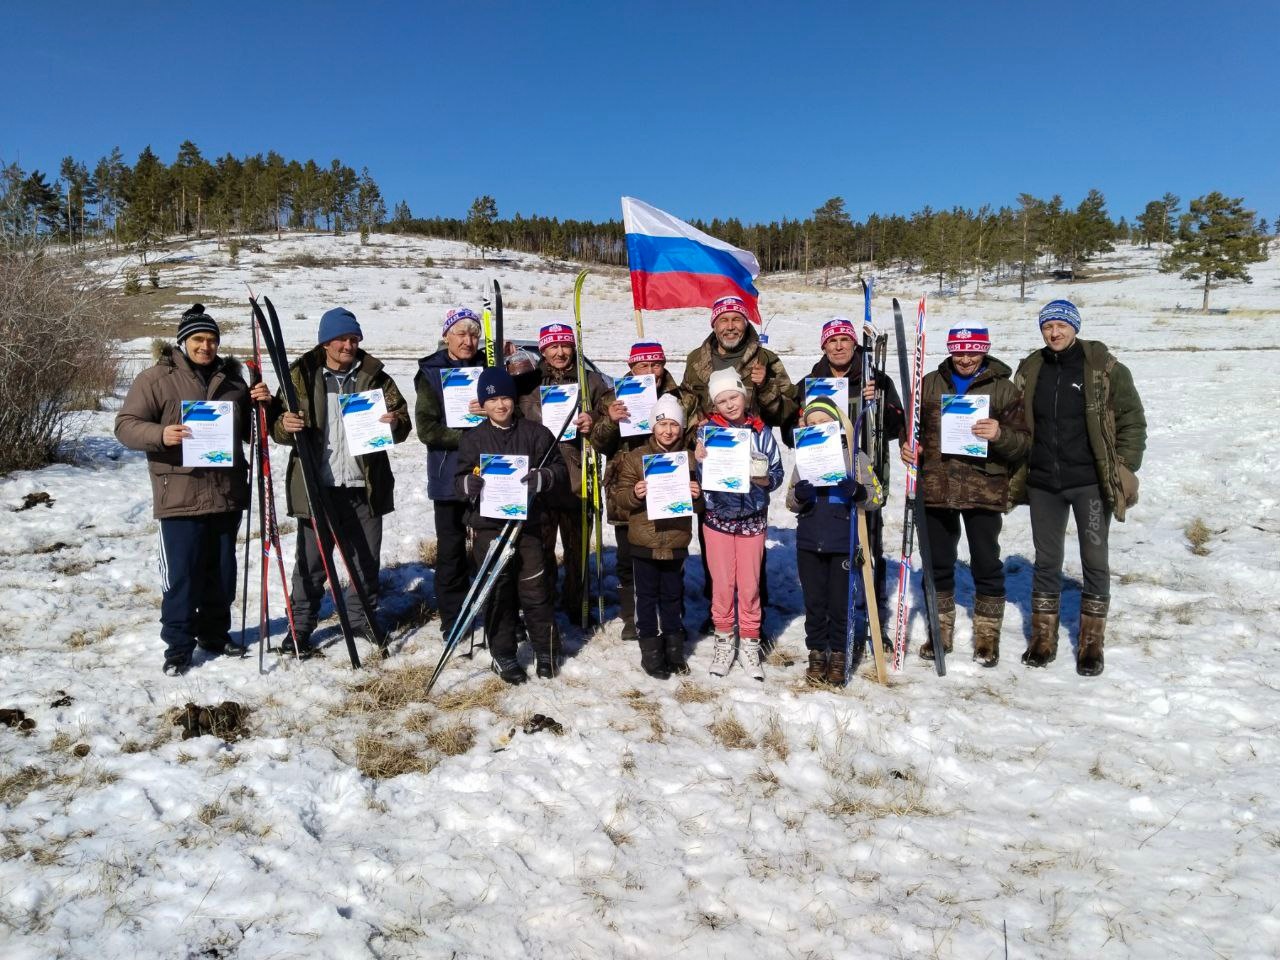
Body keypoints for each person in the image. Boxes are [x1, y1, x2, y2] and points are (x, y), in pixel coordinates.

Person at [115, 304, 270, 675]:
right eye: (199, 339)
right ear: (184, 341)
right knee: (182, 576)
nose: (206, 346)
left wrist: (262, 402)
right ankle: (179, 647)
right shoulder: (155, 379)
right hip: (180, 494)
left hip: (225, 492)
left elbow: (251, 432)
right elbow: (125, 425)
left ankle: (215, 635)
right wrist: (161, 434)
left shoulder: (233, 381)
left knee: (221, 571)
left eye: (213, 340)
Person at [1011, 300, 1146, 676]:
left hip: (1089, 481)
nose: (1054, 332)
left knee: (1094, 559)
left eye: (1061, 325)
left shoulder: (1104, 368)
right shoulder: (1031, 368)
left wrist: (1123, 466)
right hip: (1043, 484)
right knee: (1047, 560)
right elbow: (1013, 415)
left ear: (1074, 327)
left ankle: (1091, 644)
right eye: (1047, 326)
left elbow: (1133, 420)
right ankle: (1042, 639)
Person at [270, 308, 411, 655]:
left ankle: (362, 617)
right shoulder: (299, 376)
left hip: (364, 485)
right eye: (343, 339)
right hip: (317, 486)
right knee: (311, 563)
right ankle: (300, 626)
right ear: (326, 341)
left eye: (354, 339)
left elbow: (404, 420)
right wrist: (283, 427)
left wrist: (393, 423)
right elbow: (275, 423)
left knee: (365, 558)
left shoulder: (375, 376)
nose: (349, 345)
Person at [901, 325, 1031, 667]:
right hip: (936, 488)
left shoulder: (1003, 389)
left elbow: (1022, 443)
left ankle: (987, 636)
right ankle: (940, 630)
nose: (966, 358)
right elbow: (911, 429)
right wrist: (908, 446)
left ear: (984, 351)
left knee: (986, 562)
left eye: (973, 351)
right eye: (959, 352)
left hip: (982, 489)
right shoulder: (929, 383)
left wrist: (1000, 433)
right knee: (938, 562)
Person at [682, 296, 796, 630]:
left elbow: (789, 410)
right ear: (714, 325)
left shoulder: (766, 359)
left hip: (752, 466)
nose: (730, 326)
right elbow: (686, 404)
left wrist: (767, 386)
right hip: (712, 463)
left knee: (751, 548)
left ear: (746, 323)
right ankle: (717, 612)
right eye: (724, 320)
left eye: (737, 319)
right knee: (712, 542)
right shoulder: (696, 361)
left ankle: (753, 618)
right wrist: (695, 437)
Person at [794, 316, 906, 654]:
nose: (839, 346)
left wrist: (879, 399)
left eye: (845, 340)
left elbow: (896, 422)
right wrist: (800, 422)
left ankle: (872, 618)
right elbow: (791, 434)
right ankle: (831, 624)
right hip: (821, 488)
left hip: (862, 477)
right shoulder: (810, 383)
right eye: (832, 341)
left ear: (854, 344)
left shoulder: (875, 378)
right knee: (831, 557)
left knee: (869, 551)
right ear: (823, 346)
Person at [455, 367, 569, 683]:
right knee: (498, 592)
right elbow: (457, 479)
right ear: (483, 404)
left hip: (529, 527)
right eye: (492, 400)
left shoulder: (537, 434)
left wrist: (543, 478)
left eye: (505, 397)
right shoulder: (473, 438)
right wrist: (468, 484)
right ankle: (503, 655)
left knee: (535, 589)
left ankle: (545, 650)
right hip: (489, 527)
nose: (500, 405)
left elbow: (559, 470)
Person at [590, 341, 694, 641]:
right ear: (630, 366)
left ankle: (672, 617)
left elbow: (696, 434)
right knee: (628, 555)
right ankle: (632, 616)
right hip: (627, 484)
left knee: (671, 553)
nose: (651, 371)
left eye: (657, 364)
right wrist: (610, 420)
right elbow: (598, 442)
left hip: (670, 487)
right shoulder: (613, 396)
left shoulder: (681, 396)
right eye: (643, 365)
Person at [516, 322, 610, 622]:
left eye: (565, 345)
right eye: (553, 346)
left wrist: (593, 418)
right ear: (543, 350)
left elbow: (613, 414)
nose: (559, 352)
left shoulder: (592, 381)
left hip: (578, 477)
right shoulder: (528, 381)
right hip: (541, 477)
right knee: (539, 549)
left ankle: (575, 602)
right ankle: (543, 602)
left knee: (577, 550)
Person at [694, 368, 784, 679]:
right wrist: (700, 458)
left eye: (733, 396)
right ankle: (723, 641)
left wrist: (760, 478)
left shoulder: (762, 433)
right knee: (721, 585)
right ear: (714, 404)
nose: (729, 404)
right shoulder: (706, 434)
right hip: (718, 519)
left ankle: (749, 642)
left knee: (749, 586)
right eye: (722, 400)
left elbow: (776, 475)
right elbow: (701, 479)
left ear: (743, 396)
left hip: (751, 521)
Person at [785, 397, 881, 684]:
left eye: (823, 422)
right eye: (811, 423)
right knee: (814, 602)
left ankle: (838, 654)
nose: (817, 427)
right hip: (809, 541)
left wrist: (859, 493)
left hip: (842, 540)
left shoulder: (855, 456)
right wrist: (800, 497)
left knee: (840, 602)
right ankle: (816, 654)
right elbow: (790, 501)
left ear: (838, 425)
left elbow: (876, 496)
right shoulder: (804, 459)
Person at [608, 394, 701, 679]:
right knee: (646, 598)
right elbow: (620, 497)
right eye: (662, 424)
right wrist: (635, 494)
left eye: (674, 424)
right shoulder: (636, 459)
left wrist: (697, 496)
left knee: (673, 596)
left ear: (682, 428)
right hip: (643, 541)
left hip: (675, 540)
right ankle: (650, 652)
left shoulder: (688, 459)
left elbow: (701, 503)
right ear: (652, 427)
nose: (668, 431)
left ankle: (674, 649)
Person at [414, 307, 485, 637]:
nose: (468, 341)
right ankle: (453, 616)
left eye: (474, 335)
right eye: (461, 334)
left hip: (490, 471)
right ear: (446, 336)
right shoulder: (431, 373)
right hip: (448, 475)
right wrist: (470, 438)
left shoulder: (490, 366)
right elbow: (427, 429)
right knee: (452, 548)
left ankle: (496, 609)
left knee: (491, 543)